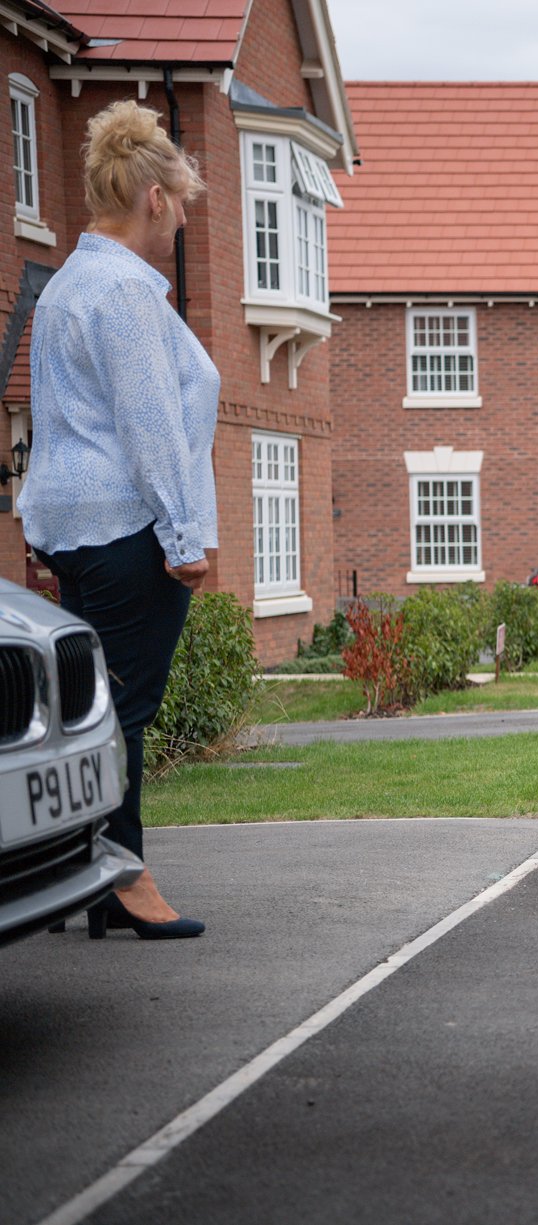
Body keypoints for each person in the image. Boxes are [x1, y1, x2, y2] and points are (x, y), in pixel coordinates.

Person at [21, 100, 215, 939]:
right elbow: (150, 427)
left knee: (84, 711)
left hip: (73, 529)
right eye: (180, 206)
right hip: (128, 532)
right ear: (155, 200)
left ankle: (76, 872)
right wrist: (183, 538)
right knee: (120, 713)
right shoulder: (127, 293)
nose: (179, 226)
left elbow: (56, 421)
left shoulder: (66, 284)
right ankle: (123, 877)